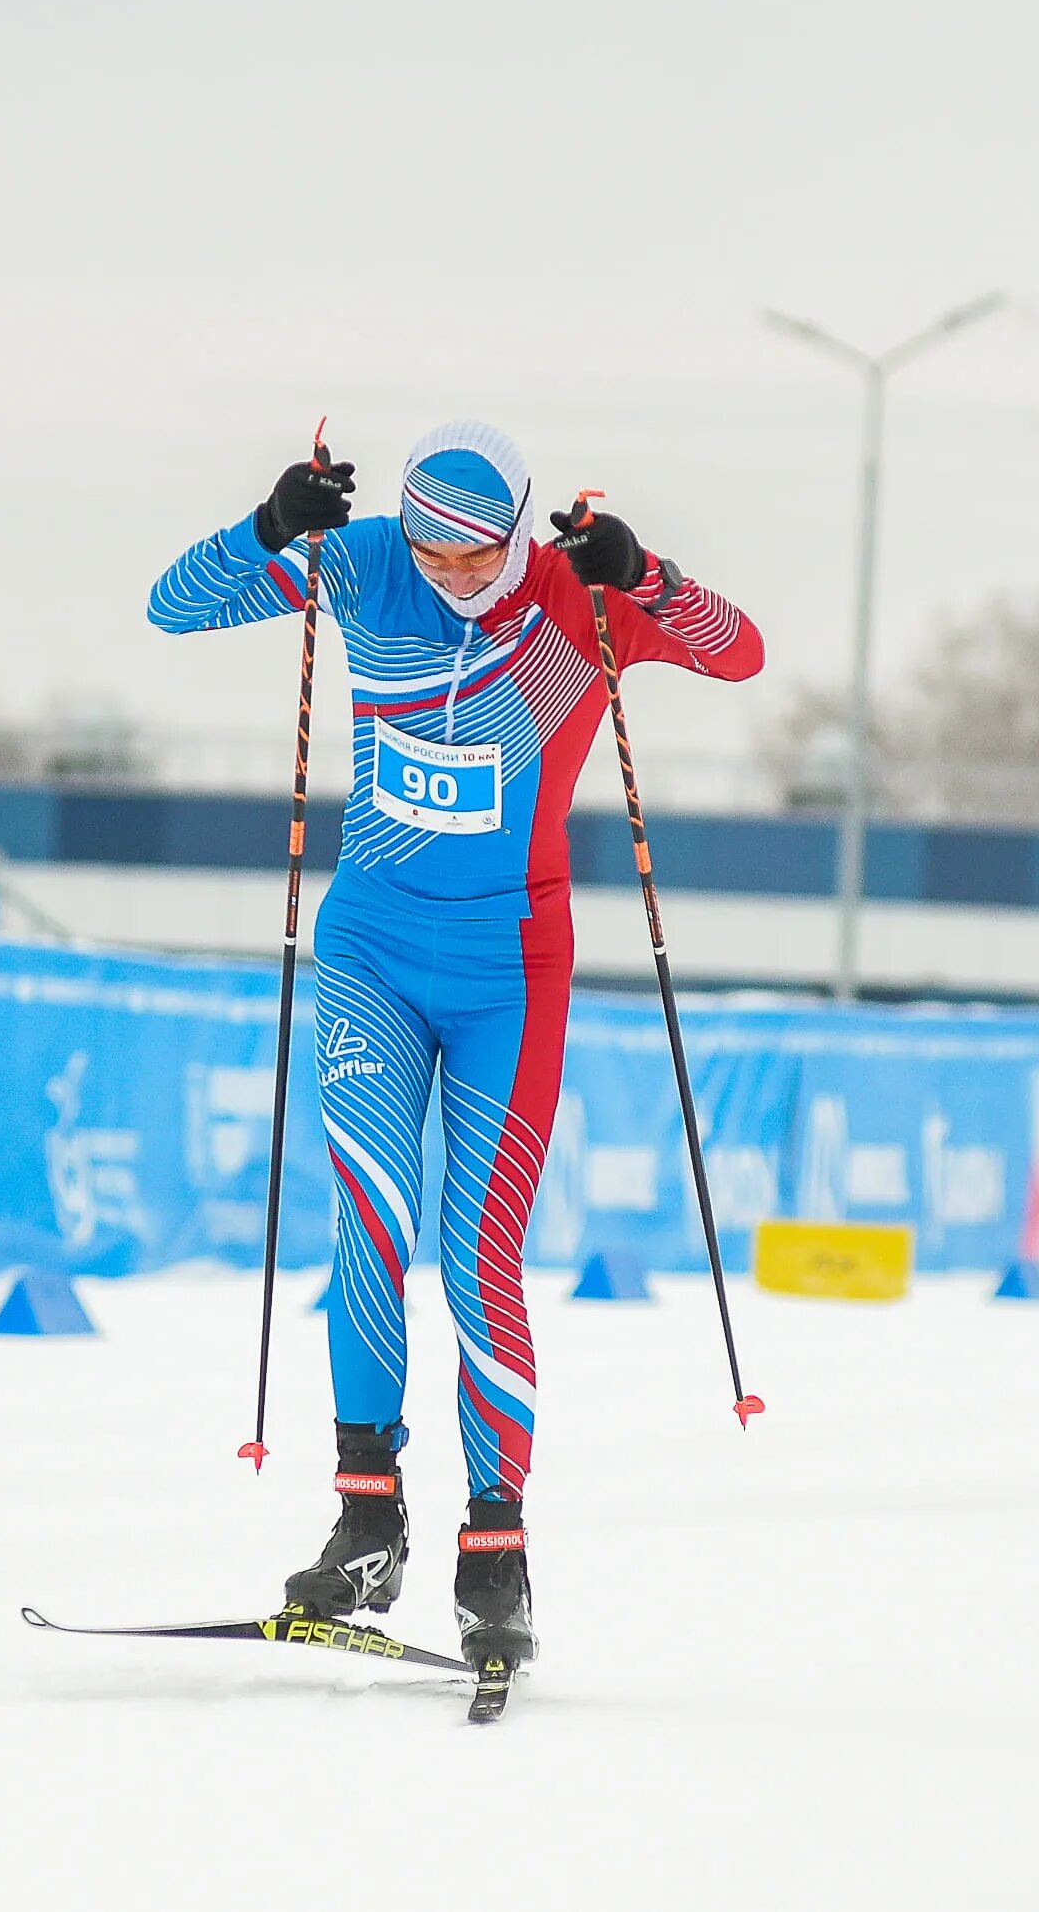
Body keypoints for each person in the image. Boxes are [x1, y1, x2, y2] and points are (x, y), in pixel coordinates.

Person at [151, 423, 764, 1663]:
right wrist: (271, 525)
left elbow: (738, 652)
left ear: (517, 534)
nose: (449, 577)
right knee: (367, 1218)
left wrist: (645, 574)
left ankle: (498, 1546)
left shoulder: (574, 605)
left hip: (508, 976)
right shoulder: (365, 564)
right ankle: (365, 1516)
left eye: (475, 558)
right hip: (372, 949)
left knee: (477, 1247)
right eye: (430, 551)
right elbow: (175, 606)